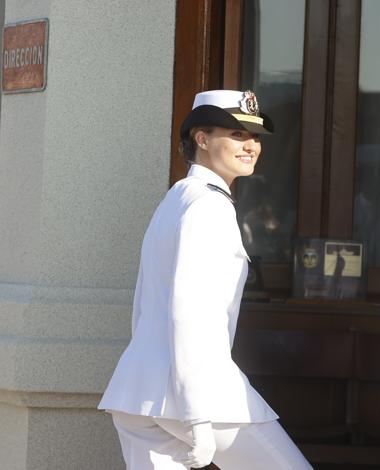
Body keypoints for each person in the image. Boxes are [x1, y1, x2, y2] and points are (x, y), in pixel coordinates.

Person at [99, 90, 312, 470]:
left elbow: (145, 305)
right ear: (202, 138)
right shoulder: (208, 206)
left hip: (138, 391)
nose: (251, 146)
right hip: (196, 396)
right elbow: (189, 313)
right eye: (237, 135)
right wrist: (196, 415)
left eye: (255, 137)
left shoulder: (179, 198)